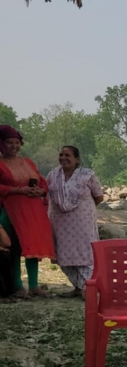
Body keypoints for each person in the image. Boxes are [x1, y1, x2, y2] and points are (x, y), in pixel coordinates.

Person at [0, 125, 55, 299]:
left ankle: (34, 286)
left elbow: (42, 181)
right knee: (14, 248)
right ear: (1, 144)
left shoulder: (28, 162)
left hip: (33, 211)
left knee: (32, 247)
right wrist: (18, 190)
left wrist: (41, 191)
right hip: (11, 211)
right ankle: (18, 286)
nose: (14, 146)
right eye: (9, 142)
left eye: (17, 142)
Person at [45, 146, 104, 298]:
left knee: (85, 253)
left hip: (82, 222)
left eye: (68, 155)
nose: (63, 158)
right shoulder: (53, 175)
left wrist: (84, 209)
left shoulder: (87, 175)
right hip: (59, 223)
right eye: (61, 154)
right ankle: (78, 287)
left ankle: (88, 288)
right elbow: (46, 194)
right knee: (63, 253)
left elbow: (98, 196)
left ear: (77, 159)